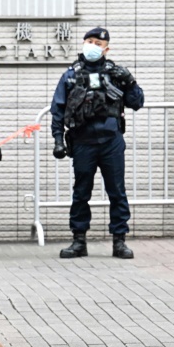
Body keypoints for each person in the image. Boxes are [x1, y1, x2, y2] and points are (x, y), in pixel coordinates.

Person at [51, 27, 144, 259]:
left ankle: (119, 241)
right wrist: (57, 140)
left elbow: (137, 102)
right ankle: (78, 240)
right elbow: (58, 109)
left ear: (106, 48)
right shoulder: (71, 74)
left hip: (111, 141)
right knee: (81, 192)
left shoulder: (116, 73)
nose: (92, 46)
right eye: (89, 41)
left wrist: (130, 81)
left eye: (98, 43)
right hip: (83, 141)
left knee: (117, 192)